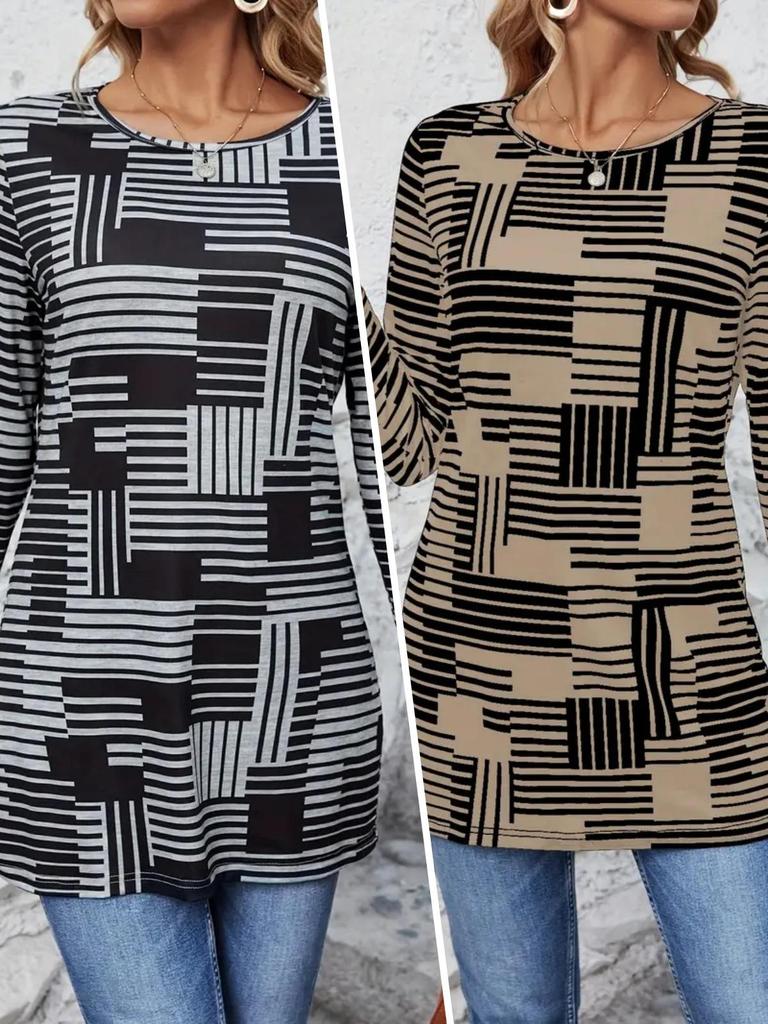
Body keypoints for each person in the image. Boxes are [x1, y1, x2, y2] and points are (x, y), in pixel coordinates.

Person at [364, 0, 768, 1020]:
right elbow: (411, 443)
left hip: (683, 673)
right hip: (479, 675)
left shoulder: (750, 157)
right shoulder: (450, 156)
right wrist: (328, 280)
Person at [0, 1, 391, 1021]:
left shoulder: (344, 152)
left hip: (295, 714)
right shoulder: (29, 151)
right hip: (85, 714)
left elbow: (392, 462)